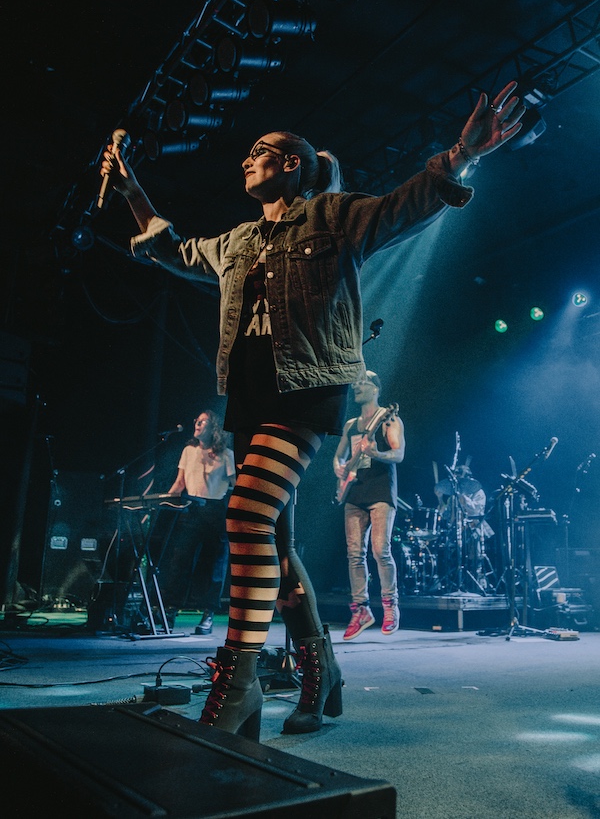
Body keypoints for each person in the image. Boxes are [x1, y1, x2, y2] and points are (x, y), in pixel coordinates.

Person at [100, 80, 524, 740]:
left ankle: (237, 681)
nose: (246, 160)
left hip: (307, 389)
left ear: (292, 164)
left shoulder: (333, 216)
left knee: (244, 514)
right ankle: (321, 672)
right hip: (251, 395)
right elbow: (175, 247)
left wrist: (460, 156)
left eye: (260, 152)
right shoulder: (237, 241)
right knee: (272, 536)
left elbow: (404, 207)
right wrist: (130, 189)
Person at [333, 370, 405, 640]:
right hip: (353, 493)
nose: (357, 387)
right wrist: (338, 469)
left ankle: (390, 606)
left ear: (376, 388)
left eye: (363, 383)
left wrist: (375, 452)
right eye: (356, 383)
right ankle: (360, 609)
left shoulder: (388, 418)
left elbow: (398, 453)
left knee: (380, 550)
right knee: (354, 554)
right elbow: (338, 456)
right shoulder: (351, 424)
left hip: (380, 492)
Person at [160, 410, 235, 635]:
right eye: (197, 421)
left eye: (203, 421)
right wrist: (163, 502)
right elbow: (179, 483)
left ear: (214, 428)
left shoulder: (226, 455)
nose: (197, 424)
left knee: (213, 565)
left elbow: (235, 484)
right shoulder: (188, 451)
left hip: (215, 510)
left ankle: (208, 613)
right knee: (179, 559)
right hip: (190, 508)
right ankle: (170, 609)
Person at [434, 463, 494, 592]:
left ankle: (476, 582)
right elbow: (446, 515)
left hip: (474, 528)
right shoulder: (452, 498)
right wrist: (439, 499)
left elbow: (476, 511)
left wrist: (463, 497)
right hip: (456, 531)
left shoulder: (479, 492)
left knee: (475, 556)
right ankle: (450, 582)